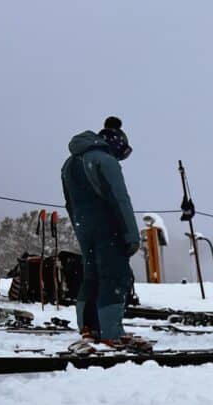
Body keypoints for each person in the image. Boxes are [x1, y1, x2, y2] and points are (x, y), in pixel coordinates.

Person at [60, 116, 139, 345]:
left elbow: (69, 203)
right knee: (114, 276)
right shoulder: (104, 160)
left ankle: (88, 327)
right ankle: (112, 333)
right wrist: (131, 237)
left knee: (91, 276)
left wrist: (80, 231)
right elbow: (120, 199)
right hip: (108, 227)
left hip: (84, 228)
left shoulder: (69, 164)